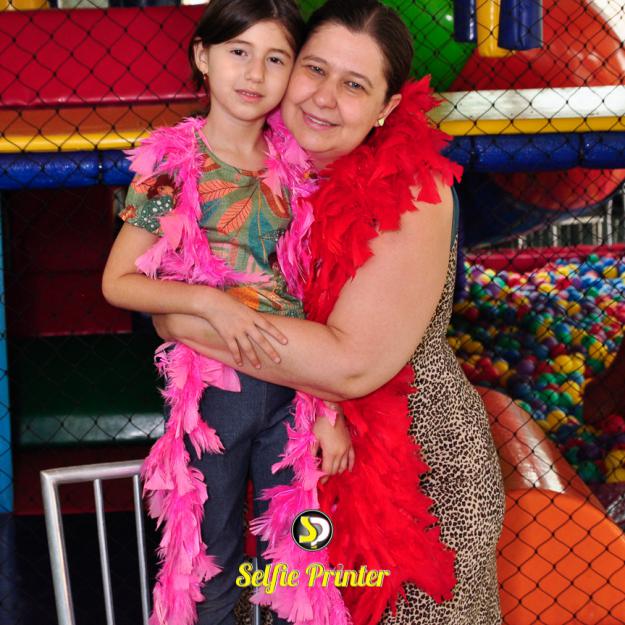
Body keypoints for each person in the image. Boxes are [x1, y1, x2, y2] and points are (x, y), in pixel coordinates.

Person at [152, 2, 506, 625]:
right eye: (314, 69)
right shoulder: (251, 165)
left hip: (414, 477)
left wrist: (187, 319)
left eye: (354, 85)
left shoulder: (414, 188)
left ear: (386, 107)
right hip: (289, 456)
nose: (323, 98)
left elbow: (348, 365)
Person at [102, 3, 354, 625]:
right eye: (239, 52)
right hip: (215, 394)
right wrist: (208, 301)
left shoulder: (299, 166)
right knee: (207, 562)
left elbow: (317, 296)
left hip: (294, 393)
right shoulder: (172, 165)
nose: (255, 73)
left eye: (276, 59)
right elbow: (118, 282)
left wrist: (328, 408)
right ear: (203, 56)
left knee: (301, 562)